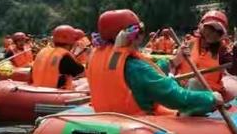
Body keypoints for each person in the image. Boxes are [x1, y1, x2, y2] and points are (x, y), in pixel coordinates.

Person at [86, 9, 223, 115]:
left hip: (106, 118)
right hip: (137, 122)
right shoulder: (136, 67)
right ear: (135, 36)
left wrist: (173, 62)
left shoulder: (95, 56)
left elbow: (149, 73)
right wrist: (210, 98)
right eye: (141, 32)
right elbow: (175, 97)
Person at [172, 10, 237, 97]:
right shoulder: (189, 44)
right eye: (210, 28)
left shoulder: (222, 50)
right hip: (182, 90)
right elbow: (173, 67)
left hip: (208, 93)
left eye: (218, 31)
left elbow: (236, 71)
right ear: (201, 27)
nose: (213, 33)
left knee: (193, 82)